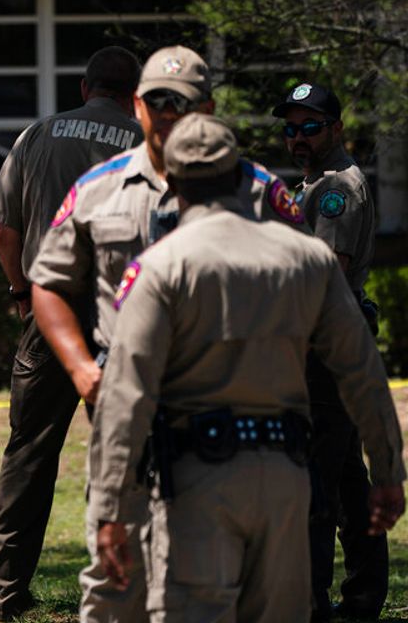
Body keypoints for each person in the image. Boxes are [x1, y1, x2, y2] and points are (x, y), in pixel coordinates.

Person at [28, 45, 305, 623]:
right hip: (127, 411)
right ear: (136, 105)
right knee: (116, 583)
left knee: (218, 588)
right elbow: (48, 282)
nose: (168, 115)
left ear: (207, 108)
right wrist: (81, 368)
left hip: (227, 420)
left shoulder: (257, 190)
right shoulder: (99, 188)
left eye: (182, 104)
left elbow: (308, 281)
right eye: (157, 102)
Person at [92, 113, 405, 622]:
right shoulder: (310, 259)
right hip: (285, 475)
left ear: (172, 183)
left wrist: (110, 508)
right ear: (242, 176)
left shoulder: (159, 268)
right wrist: (388, 471)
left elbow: (126, 397)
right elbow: (361, 372)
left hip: (197, 476)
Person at [0, 46, 143, 621]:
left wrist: (24, 294)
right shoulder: (146, 144)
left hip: (49, 316)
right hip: (123, 319)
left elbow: (3, 231)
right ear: (134, 93)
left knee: (28, 453)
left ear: (84, 87)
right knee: (128, 455)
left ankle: (2, 593)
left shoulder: (36, 136)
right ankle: (128, 590)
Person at [272, 83, 386, 621]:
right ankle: (363, 596)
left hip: (324, 348)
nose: (298, 137)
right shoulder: (317, 181)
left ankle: (310, 603)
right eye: (291, 128)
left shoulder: (337, 186)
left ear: (336, 128)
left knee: (314, 481)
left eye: (310, 127)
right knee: (344, 478)